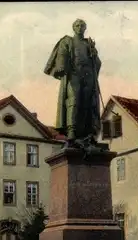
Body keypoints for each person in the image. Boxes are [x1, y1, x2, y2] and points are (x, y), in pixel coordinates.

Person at [44, 19, 101, 147]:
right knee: (73, 101)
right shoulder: (68, 40)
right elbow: (62, 54)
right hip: (73, 74)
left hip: (88, 76)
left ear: (85, 28)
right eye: (77, 25)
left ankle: (88, 133)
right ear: (73, 28)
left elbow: (96, 63)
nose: (80, 27)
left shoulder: (89, 44)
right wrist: (61, 65)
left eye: (82, 25)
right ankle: (71, 132)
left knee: (88, 103)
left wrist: (94, 53)